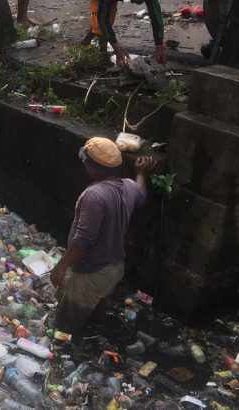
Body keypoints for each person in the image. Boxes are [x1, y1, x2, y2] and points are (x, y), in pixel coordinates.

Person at [49, 137, 157, 335]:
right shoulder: (128, 186)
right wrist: (142, 173)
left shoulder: (94, 196)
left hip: (90, 274)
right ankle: (94, 340)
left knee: (65, 327)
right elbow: (141, 193)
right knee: (95, 318)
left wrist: (60, 267)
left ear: (93, 167)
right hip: (113, 269)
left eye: (85, 161)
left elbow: (82, 240)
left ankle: (67, 354)